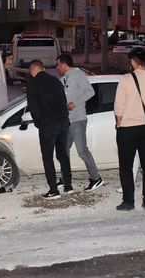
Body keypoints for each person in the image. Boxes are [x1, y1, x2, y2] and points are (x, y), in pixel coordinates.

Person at [113, 48, 145, 211]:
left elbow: (118, 106)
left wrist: (119, 122)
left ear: (133, 62)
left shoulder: (126, 79)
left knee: (126, 167)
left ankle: (128, 202)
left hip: (127, 129)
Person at [26, 59, 72, 199]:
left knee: (47, 157)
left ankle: (53, 190)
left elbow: (33, 108)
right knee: (63, 155)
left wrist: (39, 123)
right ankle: (68, 185)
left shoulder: (33, 84)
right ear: (43, 68)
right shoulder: (55, 81)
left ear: (32, 71)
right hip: (63, 122)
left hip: (48, 124)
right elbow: (63, 100)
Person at [56, 53, 103, 191]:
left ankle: (96, 178)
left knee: (82, 151)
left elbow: (90, 92)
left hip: (78, 119)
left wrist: (74, 103)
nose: (57, 67)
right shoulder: (63, 79)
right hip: (67, 120)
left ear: (64, 65)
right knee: (63, 150)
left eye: (58, 65)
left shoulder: (78, 75)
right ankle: (65, 178)